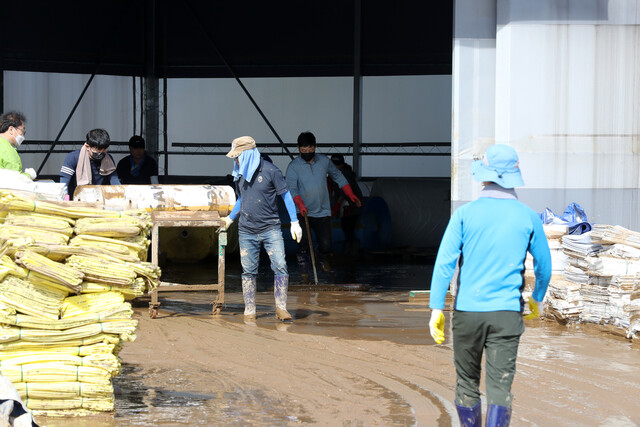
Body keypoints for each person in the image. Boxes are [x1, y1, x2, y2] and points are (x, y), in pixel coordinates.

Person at [428, 144, 551, 427]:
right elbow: (544, 266)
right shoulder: (528, 216)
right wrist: (537, 298)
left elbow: (444, 263)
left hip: (468, 313)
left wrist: (436, 308)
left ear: (483, 176)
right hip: (507, 314)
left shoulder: (463, 215)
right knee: (500, 389)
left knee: (467, 383)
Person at [221, 136, 303, 322]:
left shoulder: (271, 171)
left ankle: (281, 308)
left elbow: (286, 196)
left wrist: (294, 222)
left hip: (270, 228)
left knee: (280, 266)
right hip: (246, 230)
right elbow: (242, 199)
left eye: (237, 156)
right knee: (248, 270)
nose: (235, 160)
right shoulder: (240, 174)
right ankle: (249, 310)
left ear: (248, 154)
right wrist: (230, 219)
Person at [286, 131, 361, 283]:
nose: (307, 152)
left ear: (315, 147)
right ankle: (304, 271)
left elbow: (338, 176)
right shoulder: (293, 167)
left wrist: (350, 193)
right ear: (299, 149)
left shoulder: (324, 161)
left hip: (322, 212)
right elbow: (292, 189)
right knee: (303, 244)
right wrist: (300, 204)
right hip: (303, 213)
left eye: (310, 149)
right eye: (303, 150)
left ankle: (322, 257)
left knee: (326, 244)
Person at [60, 128, 121, 200]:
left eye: (104, 149)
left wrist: (120, 194)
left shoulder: (108, 159)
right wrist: (65, 198)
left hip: (100, 199)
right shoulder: (73, 157)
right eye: (98, 150)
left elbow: (114, 180)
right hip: (77, 199)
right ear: (87, 147)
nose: (101, 153)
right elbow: (64, 181)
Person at [330, 153, 363, 255]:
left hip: (352, 205)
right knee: (345, 226)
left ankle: (351, 249)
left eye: (337, 165)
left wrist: (337, 205)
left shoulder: (347, 174)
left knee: (348, 226)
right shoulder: (333, 175)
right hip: (344, 206)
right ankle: (349, 247)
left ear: (342, 165)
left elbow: (344, 192)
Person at [0, 111, 36, 180]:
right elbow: (15, 179)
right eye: (22, 131)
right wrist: (29, 175)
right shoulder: (7, 149)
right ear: (11, 129)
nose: (23, 135)